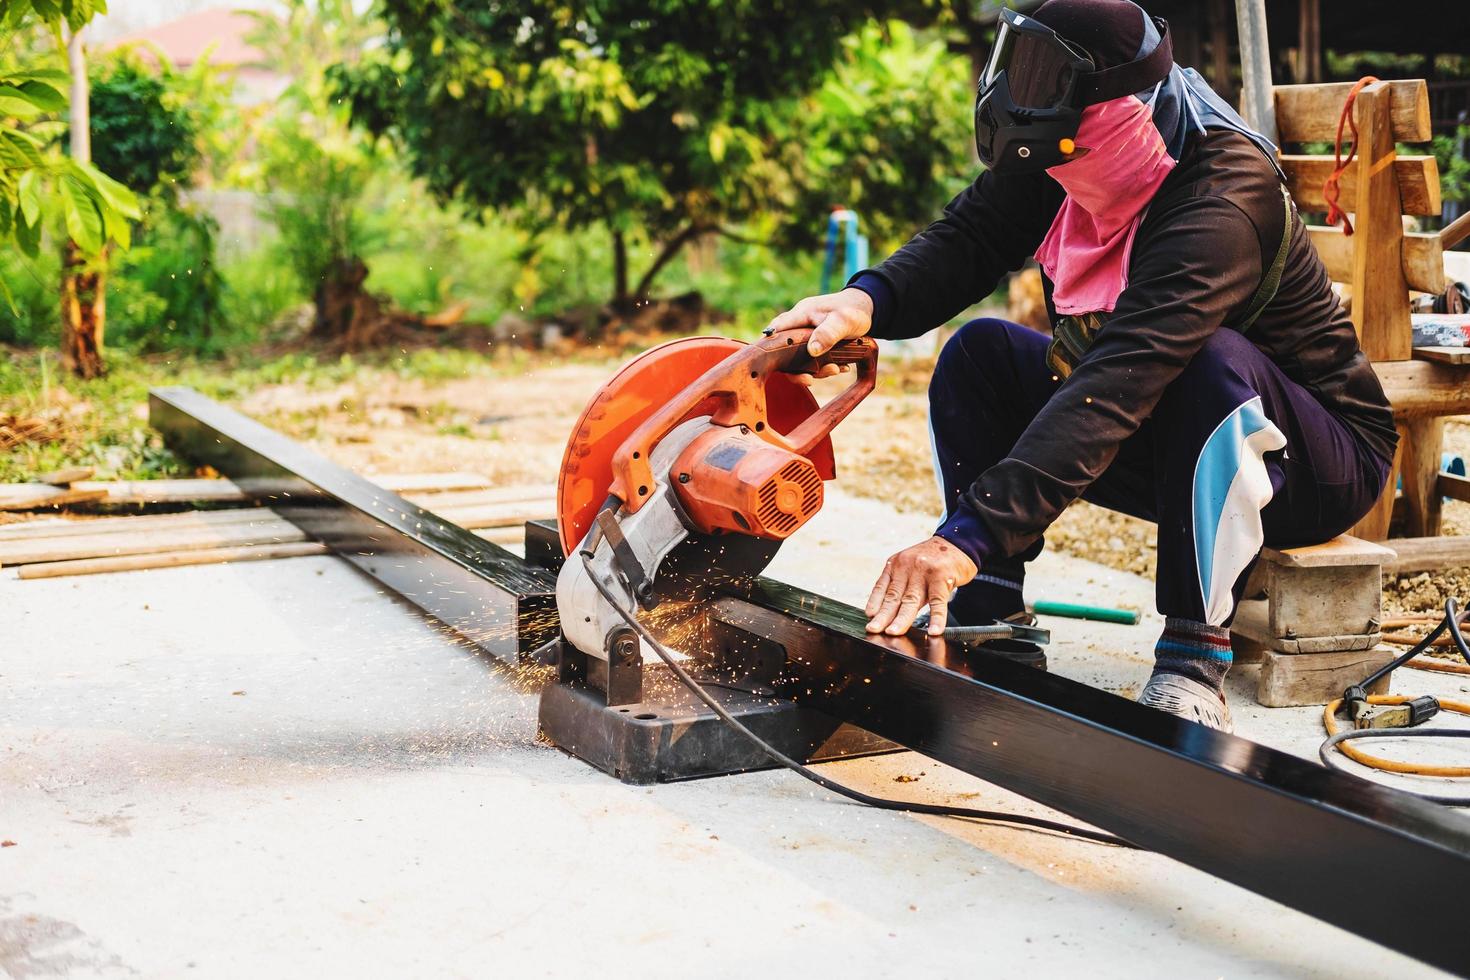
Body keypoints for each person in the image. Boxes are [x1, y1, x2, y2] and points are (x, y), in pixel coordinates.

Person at [766, 0, 1396, 732]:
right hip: (1173, 438)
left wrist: (964, 536)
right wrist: (863, 302)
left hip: (1315, 464)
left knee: (1206, 361)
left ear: (1117, 108)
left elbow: (1124, 373)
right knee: (980, 355)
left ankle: (1195, 657)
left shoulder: (1221, 194)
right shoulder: (1070, 144)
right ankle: (988, 611)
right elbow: (972, 235)